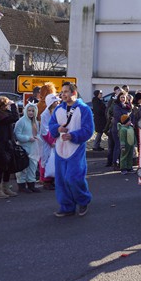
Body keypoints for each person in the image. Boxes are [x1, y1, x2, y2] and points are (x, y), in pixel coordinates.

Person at [49, 82, 94, 217]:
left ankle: (83, 200)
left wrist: (73, 135)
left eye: (66, 92)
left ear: (74, 93)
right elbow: (51, 126)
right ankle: (67, 206)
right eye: (62, 92)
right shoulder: (58, 109)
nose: (63, 94)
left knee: (73, 178)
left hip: (76, 148)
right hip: (60, 150)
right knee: (61, 180)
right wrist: (58, 129)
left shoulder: (84, 109)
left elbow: (88, 130)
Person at [0, 95, 20, 199]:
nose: (7, 106)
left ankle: (6, 188)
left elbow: (12, 117)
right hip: (1, 143)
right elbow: (15, 117)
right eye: (5, 105)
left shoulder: (3, 114)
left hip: (8, 142)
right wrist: (14, 106)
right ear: (1, 106)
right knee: (1, 167)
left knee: (8, 167)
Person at [13, 103, 41, 193]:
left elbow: (38, 133)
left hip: (33, 147)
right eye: (29, 110)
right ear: (25, 111)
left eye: (33, 111)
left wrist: (37, 138)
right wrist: (28, 138)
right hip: (23, 147)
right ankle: (21, 186)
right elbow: (17, 134)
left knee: (33, 166)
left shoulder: (35, 122)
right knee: (23, 168)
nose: (31, 113)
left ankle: (31, 184)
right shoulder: (21, 121)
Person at [39, 93, 61, 190]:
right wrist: (51, 141)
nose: (57, 103)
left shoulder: (56, 112)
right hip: (47, 142)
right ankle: (45, 181)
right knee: (45, 160)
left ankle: (52, 180)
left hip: (55, 140)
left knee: (53, 161)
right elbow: (44, 130)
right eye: (55, 101)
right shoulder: (45, 115)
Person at [111, 91, 132, 171]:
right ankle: (115, 163)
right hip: (118, 128)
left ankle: (122, 163)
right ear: (119, 98)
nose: (123, 99)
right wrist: (127, 119)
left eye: (124, 97)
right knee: (118, 145)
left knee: (124, 146)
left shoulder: (128, 107)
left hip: (126, 128)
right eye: (121, 97)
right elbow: (119, 117)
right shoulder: (117, 106)